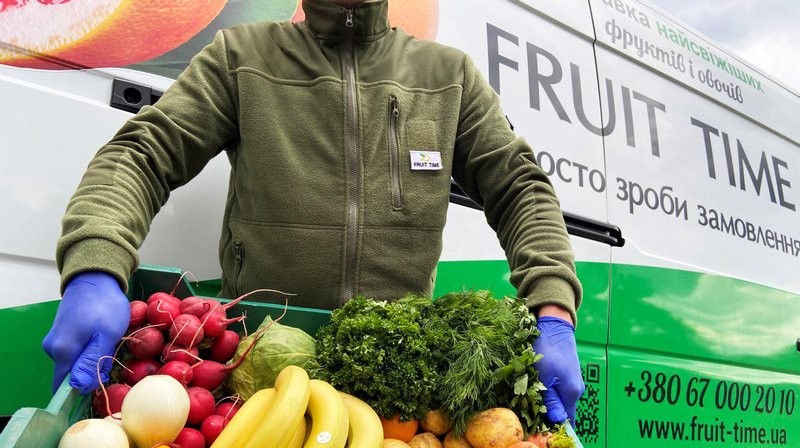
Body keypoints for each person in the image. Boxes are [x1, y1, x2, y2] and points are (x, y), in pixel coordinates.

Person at [42, 0, 585, 424]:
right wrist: (96, 265)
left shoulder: (447, 77)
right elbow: (141, 154)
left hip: (392, 393)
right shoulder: (242, 57)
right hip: (250, 377)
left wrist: (554, 310)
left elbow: (519, 187)